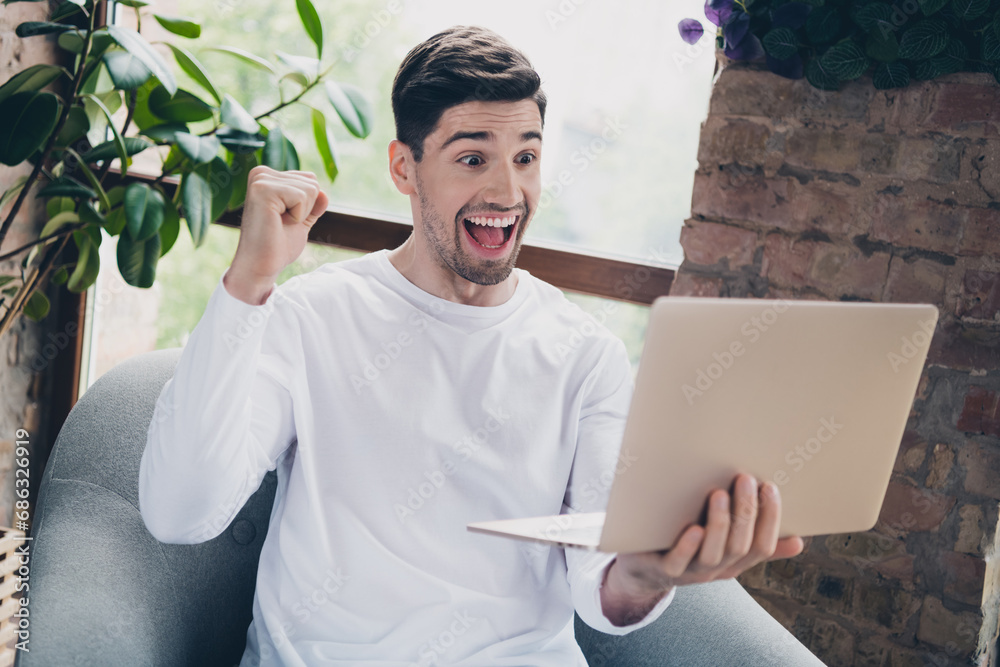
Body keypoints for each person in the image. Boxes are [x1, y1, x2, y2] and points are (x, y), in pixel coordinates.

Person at [139, 25, 804, 666]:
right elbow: (180, 510)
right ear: (405, 167)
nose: (506, 192)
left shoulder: (585, 356)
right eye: (472, 158)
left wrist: (649, 570)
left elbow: (606, 594)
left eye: (526, 157)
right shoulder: (310, 315)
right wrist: (247, 284)